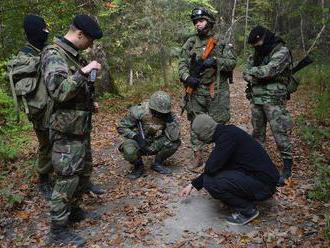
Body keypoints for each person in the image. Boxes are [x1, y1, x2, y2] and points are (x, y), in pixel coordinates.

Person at [41, 14, 104, 245]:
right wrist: (84, 72)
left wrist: (89, 102)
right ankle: (57, 230)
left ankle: (74, 211)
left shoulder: (73, 55)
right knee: (66, 178)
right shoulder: (54, 54)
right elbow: (58, 91)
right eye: (90, 40)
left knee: (81, 172)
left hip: (78, 127)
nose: (91, 45)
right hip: (65, 131)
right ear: (79, 34)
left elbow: (75, 92)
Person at [180, 114, 279, 225]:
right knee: (216, 175)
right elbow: (219, 166)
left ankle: (248, 210)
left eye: (199, 135)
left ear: (205, 132)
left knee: (210, 182)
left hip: (264, 185)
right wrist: (192, 185)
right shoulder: (227, 133)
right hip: (263, 181)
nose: (199, 139)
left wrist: (200, 179)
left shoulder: (226, 139)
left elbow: (211, 168)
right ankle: (247, 199)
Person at [178, 7, 237, 169]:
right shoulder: (190, 42)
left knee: (219, 123)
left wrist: (216, 61)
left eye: (201, 21)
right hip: (196, 91)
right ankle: (198, 156)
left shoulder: (221, 40)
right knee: (196, 122)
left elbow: (232, 62)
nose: (198, 24)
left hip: (217, 91)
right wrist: (187, 77)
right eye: (196, 22)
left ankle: (221, 157)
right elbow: (182, 64)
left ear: (209, 22)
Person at [7, 15, 52, 199]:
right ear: (34, 32)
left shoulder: (46, 50)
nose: (46, 33)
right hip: (39, 109)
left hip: (55, 104)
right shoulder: (24, 56)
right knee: (46, 144)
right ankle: (44, 179)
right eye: (43, 30)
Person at [243, 25, 293, 185]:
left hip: (273, 99)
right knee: (257, 134)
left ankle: (287, 168)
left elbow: (270, 70)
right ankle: (259, 164)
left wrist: (253, 73)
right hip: (257, 98)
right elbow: (246, 71)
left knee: (279, 132)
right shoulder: (258, 52)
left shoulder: (282, 50)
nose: (257, 47)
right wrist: (254, 73)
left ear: (265, 37)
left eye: (258, 43)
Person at [117, 91, 181, 179]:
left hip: (153, 142)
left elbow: (174, 137)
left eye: (162, 113)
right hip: (137, 141)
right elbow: (121, 127)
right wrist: (136, 137)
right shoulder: (138, 111)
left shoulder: (168, 115)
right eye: (156, 112)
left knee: (175, 143)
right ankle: (138, 166)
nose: (159, 115)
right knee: (129, 151)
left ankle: (157, 163)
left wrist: (170, 122)